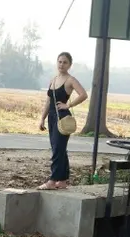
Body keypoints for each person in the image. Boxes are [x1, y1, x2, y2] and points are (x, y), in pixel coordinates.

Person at [36, 52, 88, 190]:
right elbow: (48, 101)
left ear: (70, 65)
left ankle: (53, 181)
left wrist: (68, 105)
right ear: (56, 62)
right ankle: (63, 180)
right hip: (52, 117)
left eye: (65, 62)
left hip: (63, 117)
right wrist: (42, 118)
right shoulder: (53, 80)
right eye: (59, 62)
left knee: (58, 149)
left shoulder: (71, 80)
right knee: (58, 149)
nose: (61, 64)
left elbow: (83, 94)